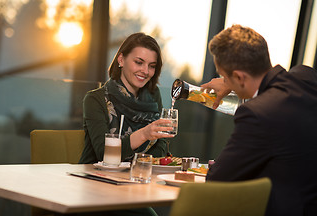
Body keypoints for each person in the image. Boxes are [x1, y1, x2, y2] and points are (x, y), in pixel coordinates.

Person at [201, 24, 317, 216]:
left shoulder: (257, 113)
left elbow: (217, 180)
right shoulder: (306, 75)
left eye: (224, 76)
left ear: (239, 76)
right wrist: (233, 81)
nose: (224, 81)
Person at [79, 32, 174, 166]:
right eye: (139, 62)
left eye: (152, 66)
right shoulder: (95, 99)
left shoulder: (153, 95)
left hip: (139, 176)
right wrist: (144, 134)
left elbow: (161, 144)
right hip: (97, 178)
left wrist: (143, 165)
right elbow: (103, 154)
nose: (145, 71)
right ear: (121, 60)